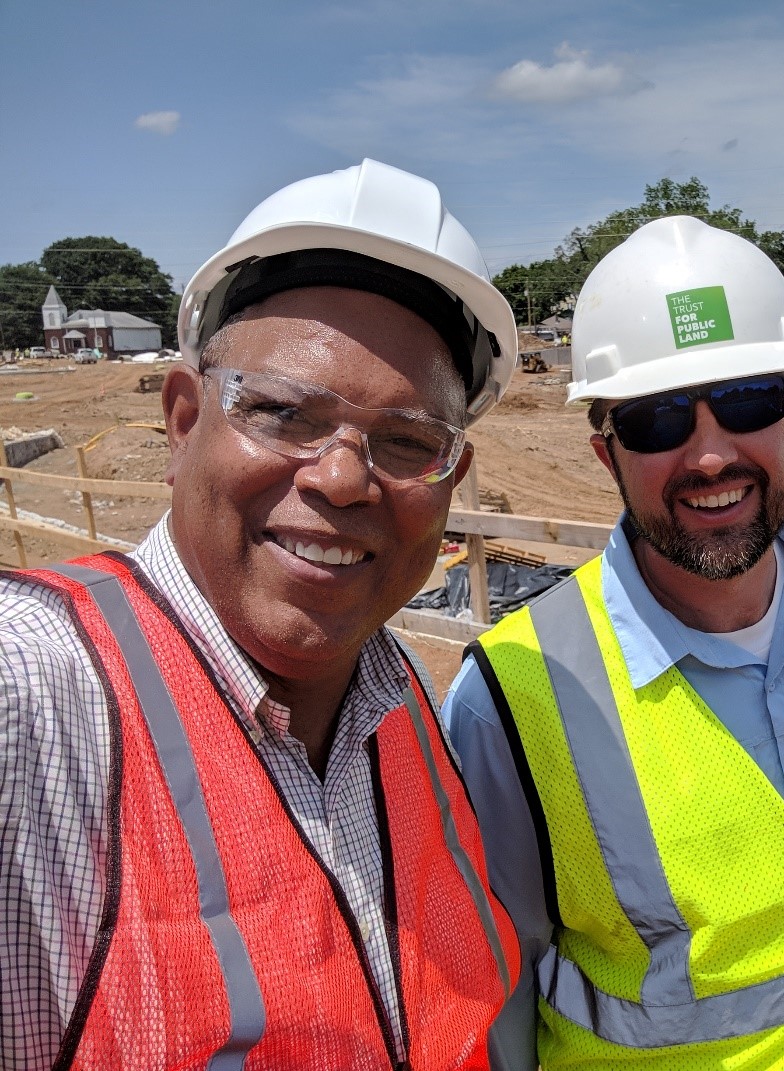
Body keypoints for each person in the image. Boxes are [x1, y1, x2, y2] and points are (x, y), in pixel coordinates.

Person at [0, 159, 525, 1068]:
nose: (342, 478)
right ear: (181, 418)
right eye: (283, 413)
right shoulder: (38, 690)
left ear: (450, 482)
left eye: (406, 441)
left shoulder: (397, 692)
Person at [443, 215, 784, 1070]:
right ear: (605, 452)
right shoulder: (519, 694)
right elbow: (495, 1001)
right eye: (657, 420)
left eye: (750, 398)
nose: (712, 453)